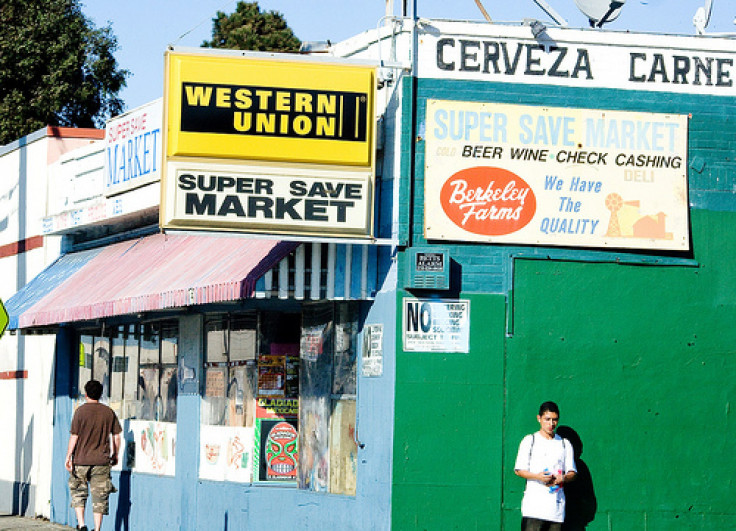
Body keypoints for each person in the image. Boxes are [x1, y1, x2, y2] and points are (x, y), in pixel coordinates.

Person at [65, 379, 122, 531]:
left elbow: (74, 436)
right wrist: (115, 454)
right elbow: (116, 436)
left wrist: (68, 456)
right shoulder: (108, 412)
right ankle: (97, 528)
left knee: (78, 491)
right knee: (100, 496)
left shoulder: (80, 411)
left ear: (86, 394)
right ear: (100, 394)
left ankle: (82, 524)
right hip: (102, 461)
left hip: (81, 460)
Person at [514, 401, 577, 531]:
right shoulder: (530, 440)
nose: (551, 424)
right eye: (547, 419)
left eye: (554, 420)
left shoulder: (564, 444)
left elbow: (572, 473)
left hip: (556, 510)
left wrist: (563, 478)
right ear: (539, 418)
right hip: (533, 509)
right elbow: (519, 470)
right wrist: (538, 477)